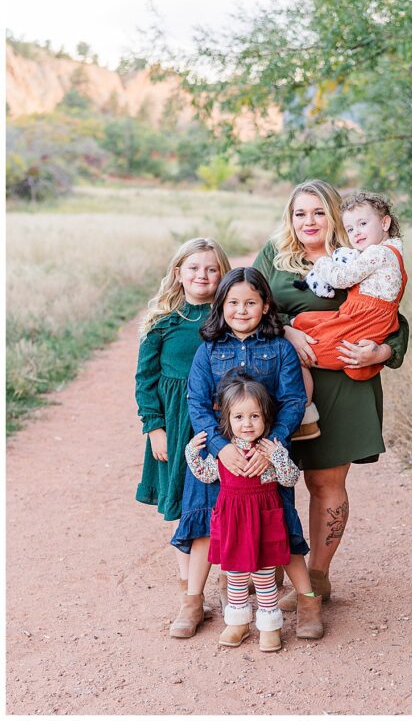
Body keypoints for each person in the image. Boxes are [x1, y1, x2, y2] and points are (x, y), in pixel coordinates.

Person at [251, 179, 409, 611]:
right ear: (290, 217)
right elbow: (245, 303)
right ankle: (269, 572)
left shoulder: (360, 253)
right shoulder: (274, 255)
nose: (309, 221)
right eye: (300, 213)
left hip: (344, 381)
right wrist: (283, 330)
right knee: (271, 480)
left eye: (319, 212)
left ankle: (316, 579)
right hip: (279, 378)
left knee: (325, 482)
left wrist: (383, 350)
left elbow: (391, 313)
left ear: (334, 215)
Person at [172, 266, 323, 640]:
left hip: (266, 455)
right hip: (219, 455)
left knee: (280, 527)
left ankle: (307, 603)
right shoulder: (209, 350)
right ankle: (193, 603)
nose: (241, 310)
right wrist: (221, 449)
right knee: (206, 521)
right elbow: (196, 401)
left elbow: (292, 400)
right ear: (221, 305)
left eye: (251, 302)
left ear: (265, 305)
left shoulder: (280, 348)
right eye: (233, 302)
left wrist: (270, 448)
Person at [134, 237, 231, 629]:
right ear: (179, 273)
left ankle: (231, 582)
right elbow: (145, 379)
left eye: (211, 269)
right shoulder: (164, 320)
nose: (202, 276)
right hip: (176, 425)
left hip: (220, 420)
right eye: (194, 268)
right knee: (182, 505)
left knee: (226, 501)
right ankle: (190, 596)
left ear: (222, 273)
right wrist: (154, 427)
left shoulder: (229, 315)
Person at [185, 372, 300, 652]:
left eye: (254, 417)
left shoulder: (268, 451)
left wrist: (279, 456)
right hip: (233, 521)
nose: (247, 424)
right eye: (239, 417)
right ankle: (237, 623)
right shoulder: (224, 452)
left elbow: (290, 478)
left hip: (264, 520)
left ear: (265, 418)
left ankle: (269, 626)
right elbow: (206, 474)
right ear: (227, 419)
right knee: (235, 573)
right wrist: (192, 453)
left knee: (263, 574)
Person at [289, 191, 407, 438]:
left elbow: (341, 279)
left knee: (304, 350)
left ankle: (304, 414)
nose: (357, 233)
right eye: (351, 229)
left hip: (360, 320)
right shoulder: (384, 253)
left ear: (385, 223)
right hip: (357, 315)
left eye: (363, 224)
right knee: (302, 323)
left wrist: (322, 262)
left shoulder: (377, 253)